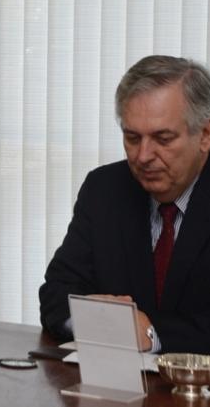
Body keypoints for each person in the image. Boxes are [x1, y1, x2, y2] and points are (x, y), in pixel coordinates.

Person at [39, 55, 210, 354]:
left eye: (163, 138)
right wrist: (92, 318)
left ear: (205, 135)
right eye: (132, 137)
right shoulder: (104, 189)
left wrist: (151, 333)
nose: (143, 156)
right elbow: (56, 293)